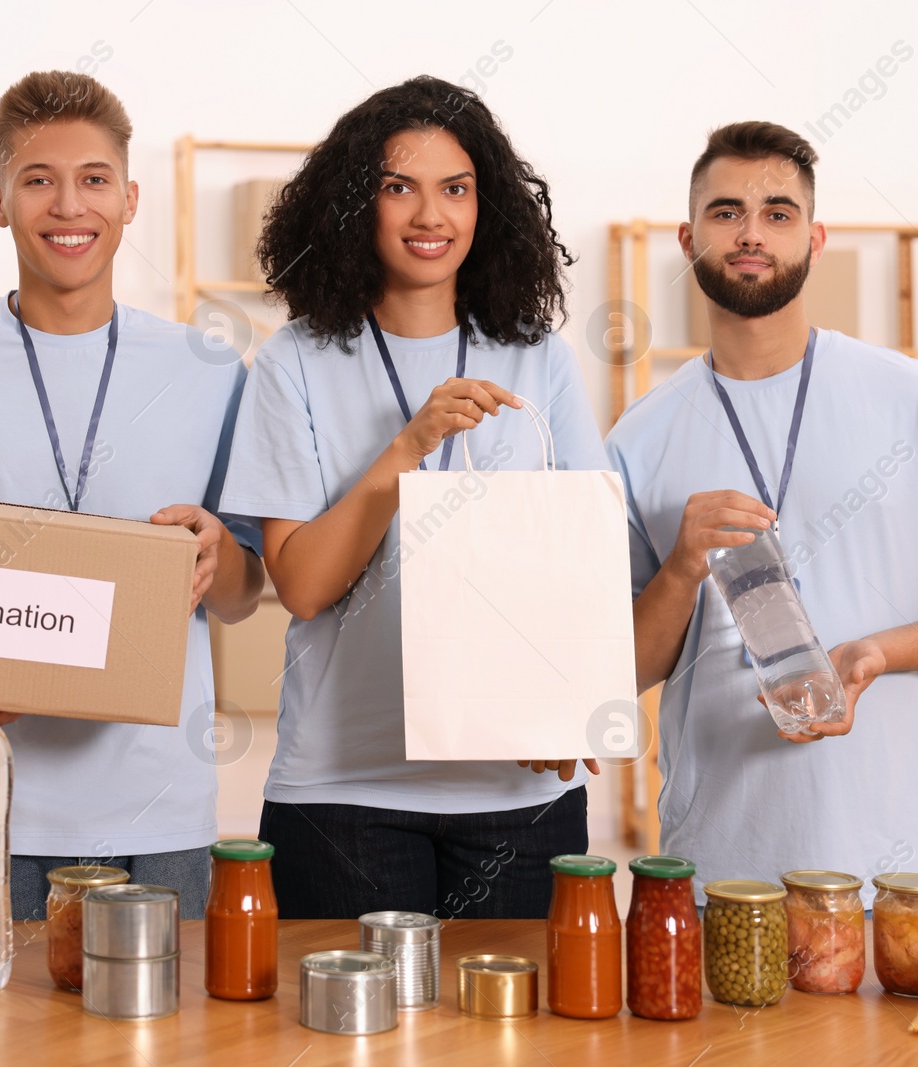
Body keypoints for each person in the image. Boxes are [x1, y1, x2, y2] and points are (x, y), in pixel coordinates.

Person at [0, 71, 263, 920]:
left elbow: (246, 590)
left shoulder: (210, 368)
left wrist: (219, 557)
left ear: (131, 197)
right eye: (38, 180)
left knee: (159, 1049)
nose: (69, 206)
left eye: (94, 179)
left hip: (159, 805)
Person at [607, 121, 918, 906]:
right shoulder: (639, 438)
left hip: (907, 869)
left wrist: (881, 649)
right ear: (687, 237)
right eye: (726, 213)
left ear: (814, 239)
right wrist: (681, 566)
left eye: (777, 213)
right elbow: (623, 667)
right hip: (725, 872)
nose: (751, 233)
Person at [219, 76, 608, 920]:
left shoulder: (538, 357)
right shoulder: (297, 361)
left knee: (515, 1051)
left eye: (456, 189)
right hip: (342, 787)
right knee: (353, 1049)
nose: (431, 215)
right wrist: (406, 449)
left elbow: (580, 565)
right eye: (400, 188)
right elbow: (303, 586)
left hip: (517, 787)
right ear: (357, 205)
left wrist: (573, 705)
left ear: (487, 207)